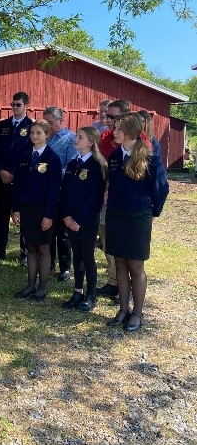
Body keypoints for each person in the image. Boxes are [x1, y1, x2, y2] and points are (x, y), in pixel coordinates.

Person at [106, 112, 169, 331]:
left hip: (137, 217)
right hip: (116, 216)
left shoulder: (149, 157)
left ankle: (137, 313)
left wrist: (153, 212)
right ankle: (123, 309)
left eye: (118, 129)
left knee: (135, 265)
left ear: (130, 132)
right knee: (120, 263)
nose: (114, 132)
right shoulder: (115, 156)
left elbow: (161, 188)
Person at [12, 120, 62, 301]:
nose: (34, 136)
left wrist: (49, 215)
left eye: (39, 133)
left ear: (47, 134)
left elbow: (54, 190)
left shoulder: (52, 158)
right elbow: (17, 185)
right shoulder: (24, 156)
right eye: (32, 132)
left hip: (43, 210)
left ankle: (42, 288)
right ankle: (30, 285)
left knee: (43, 247)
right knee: (30, 247)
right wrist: (15, 209)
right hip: (26, 208)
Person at [60, 127, 107, 312]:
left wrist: (78, 221)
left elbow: (94, 198)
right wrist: (66, 216)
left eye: (80, 137)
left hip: (86, 220)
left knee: (87, 257)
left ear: (91, 142)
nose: (76, 139)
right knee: (77, 256)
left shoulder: (97, 166)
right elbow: (64, 192)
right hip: (70, 218)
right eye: (77, 136)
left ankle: (91, 295)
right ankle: (77, 291)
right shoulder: (73, 164)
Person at [0, 91, 33, 263]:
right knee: (1, 216)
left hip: (22, 180)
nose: (14, 107)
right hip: (2, 178)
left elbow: (31, 153)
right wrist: (0, 171)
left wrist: (15, 173)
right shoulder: (2, 126)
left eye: (18, 105)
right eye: (12, 104)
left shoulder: (31, 127)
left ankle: (25, 253)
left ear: (26, 106)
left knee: (23, 217)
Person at [96, 99, 132, 297]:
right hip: (105, 199)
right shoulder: (105, 137)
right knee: (107, 240)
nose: (108, 120)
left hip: (126, 205)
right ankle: (114, 281)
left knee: (125, 246)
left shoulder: (140, 141)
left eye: (113, 116)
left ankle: (127, 284)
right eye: (107, 116)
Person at [42, 106, 78, 282]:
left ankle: (65, 268)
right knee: (47, 228)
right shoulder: (45, 138)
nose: (47, 126)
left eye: (50, 123)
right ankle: (48, 263)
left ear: (60, 121)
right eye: (45, 122)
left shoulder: (71, 139)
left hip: (62, 191)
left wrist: (51, 174)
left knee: (62, 233)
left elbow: (71, 165)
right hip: (46, 191)